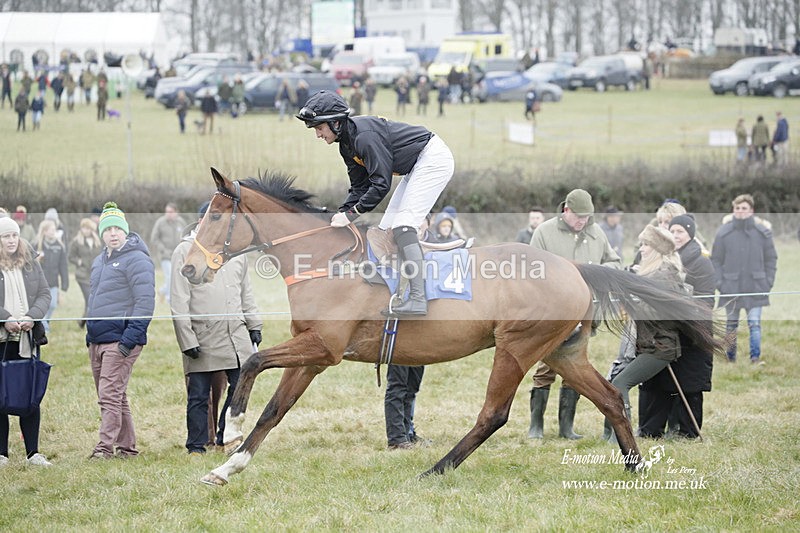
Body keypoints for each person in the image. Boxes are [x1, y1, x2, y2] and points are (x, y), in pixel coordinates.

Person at [296, 90, 454, 316]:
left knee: (403, 226)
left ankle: (419, 299)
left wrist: (351, 215)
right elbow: (360, 187)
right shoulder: (347, 145)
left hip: (433, 159)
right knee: (384, 231)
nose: (317, 135)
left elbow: (381, 185)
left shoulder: (364, 138)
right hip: (415, 166)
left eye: (319, 128)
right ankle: (394, 290)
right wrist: (340, 212)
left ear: (336, 123)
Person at [528, 189, 621, 440]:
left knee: (576, 368)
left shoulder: (596, 232)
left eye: (587, 217)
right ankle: (535, 426)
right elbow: (530, 269)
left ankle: (566, 428)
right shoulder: (544, 232)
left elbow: (614, 261)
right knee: (545, 368)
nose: (583, 221)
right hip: (552, 313)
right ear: (566, 210)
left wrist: (596, 272)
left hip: (585, 313)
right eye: (579, 216)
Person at [171, 201, 263, 454]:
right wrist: (187, 339)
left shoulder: (236, 253)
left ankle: (226, 438)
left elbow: (247, 293)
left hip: (236, 335)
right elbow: (179, 299)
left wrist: (254, 324)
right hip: (203, 335)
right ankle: (196, 446)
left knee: (240, 387)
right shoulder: (184, 251)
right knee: (199, 395)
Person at [86, 202, 155, 459]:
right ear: (101, 233)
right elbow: (94, 298)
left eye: (117, 228)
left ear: (125, 231)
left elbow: (145, 302)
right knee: (116, 396)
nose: (113, 233)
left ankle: (104, 449)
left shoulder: (137, 260)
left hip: (121, 340)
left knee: (109, 394)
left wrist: (129, 340)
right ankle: (127, 449)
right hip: (97, 339)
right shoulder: (99, 261)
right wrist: (89, 335)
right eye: (107, 229)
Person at [637, 214, 715, 439]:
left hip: (693, 331)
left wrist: (682, 305)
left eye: (680, 231)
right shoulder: (662, 258)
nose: (676, 235)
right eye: (673, 231)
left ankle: (687, 431)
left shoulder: (701, 260)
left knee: (689, 383)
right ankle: (651, 430)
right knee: (658, 381)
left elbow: (707, 299)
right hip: (665, 331)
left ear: (690, 233)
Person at [606, 225, 685, 441]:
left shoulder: (664, 276)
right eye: (641, 244)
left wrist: (630, 302)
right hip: (649, 344)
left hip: (661, 347)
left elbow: (666, 311)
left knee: (619, 384)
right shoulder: (651, 272)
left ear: (657, 249)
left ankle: (622, 438)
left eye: (646, 244)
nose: (641, 249)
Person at [0, 217, 53, 467]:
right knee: (1, 395)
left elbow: (44, 294)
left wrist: (32, 316)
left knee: (29, 394)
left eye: (14, 236)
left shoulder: (31, 263)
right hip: (2, 339)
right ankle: (1, 454)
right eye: (5, 236)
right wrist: (5, 318)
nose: (11, 240)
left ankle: (33, 452)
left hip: (27, 338)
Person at [711, 194, 777, 364]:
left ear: (751, 211)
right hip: (730, 288)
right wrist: (720, 283)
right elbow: (716, 260)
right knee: (731, 325)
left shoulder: (763, 233)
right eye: (737, 208)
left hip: (756, 287)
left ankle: (755, 358)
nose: (740, 211)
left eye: (744, 208)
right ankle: (730, 358)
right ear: (733, 210)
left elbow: (771, 259)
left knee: (754, 324)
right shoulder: (723, 233)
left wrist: (767, 282)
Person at [35, 219, 69, 333]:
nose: (54, 232)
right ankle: (45, 327)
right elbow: (29, 263)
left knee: (53, 304)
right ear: (44, 231)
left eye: (55, 229)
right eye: (51, 230)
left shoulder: (59, 246)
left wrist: (65, 283)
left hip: (53, 282)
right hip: (39, 283)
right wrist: (37, 260)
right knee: (41, 305)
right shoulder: (36, 244)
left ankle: (45, 321)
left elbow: (63, 265)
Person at [68, 218, 101, 329]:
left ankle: (83, 321)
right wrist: (79, 261)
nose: (85, 230)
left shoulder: (97, 241)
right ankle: (86, 322)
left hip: (94, 275)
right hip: (82, 276)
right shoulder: (76, 241)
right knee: (90, 299)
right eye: (84, 228)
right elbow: (71, 257)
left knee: (93, 299)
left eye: (88, 228)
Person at [150, 202, 186, 304]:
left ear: (176, 212)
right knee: (170, 276)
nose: (168, 214)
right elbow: (154, 239)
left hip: (178, 255)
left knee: (177, 278)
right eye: (167, 212)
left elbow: (185, 237)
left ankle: (162, 291)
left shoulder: (181, 222)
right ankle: (170, 299)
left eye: (170, 212)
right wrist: (163, 250)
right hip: (165, 255)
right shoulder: (160, 222)